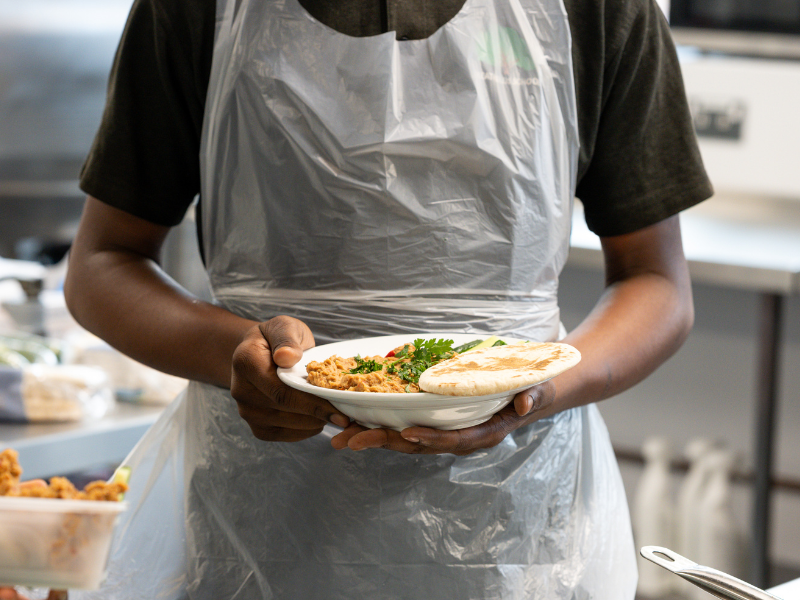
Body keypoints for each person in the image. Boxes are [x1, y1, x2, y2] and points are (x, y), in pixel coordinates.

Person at [64, 0, 713, 596]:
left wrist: (535, 392)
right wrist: (235, 351)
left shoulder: (596, 9)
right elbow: (102, 262)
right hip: (261, 519)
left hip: (516, 521)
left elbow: (655, 281)